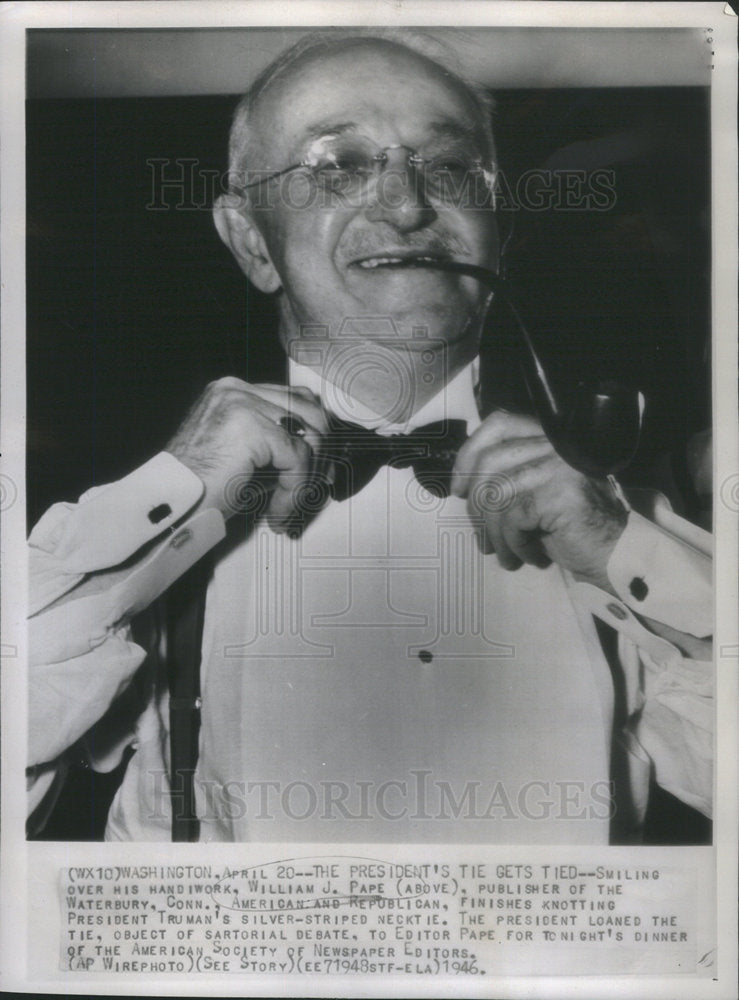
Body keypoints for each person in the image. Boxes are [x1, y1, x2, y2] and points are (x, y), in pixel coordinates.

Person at [27, 30, 712, 844]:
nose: (406, 205)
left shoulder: (626, 527)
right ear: (252, 241)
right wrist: (165, 506)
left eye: (449, 167)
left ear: (499, 228)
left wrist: (618, 550)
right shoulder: (144, 544)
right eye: (337, 167)